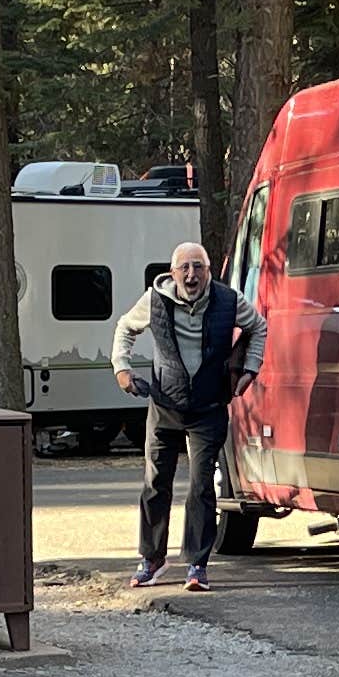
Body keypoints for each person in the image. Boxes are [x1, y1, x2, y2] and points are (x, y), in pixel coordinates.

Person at [113, 237, 242, 591]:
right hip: (164, 405)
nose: (191, 274)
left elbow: (258, 327)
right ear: (172, 273)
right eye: (184, 267)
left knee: (201, 486)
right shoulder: (155, 299)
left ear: (208, 272)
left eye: (198, 267)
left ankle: (197, 566)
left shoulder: (228, 301)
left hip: (208, 408)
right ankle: (152, 559)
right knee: (156, 484)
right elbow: (125, 328)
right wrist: (121, 369)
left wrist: (251, 368)